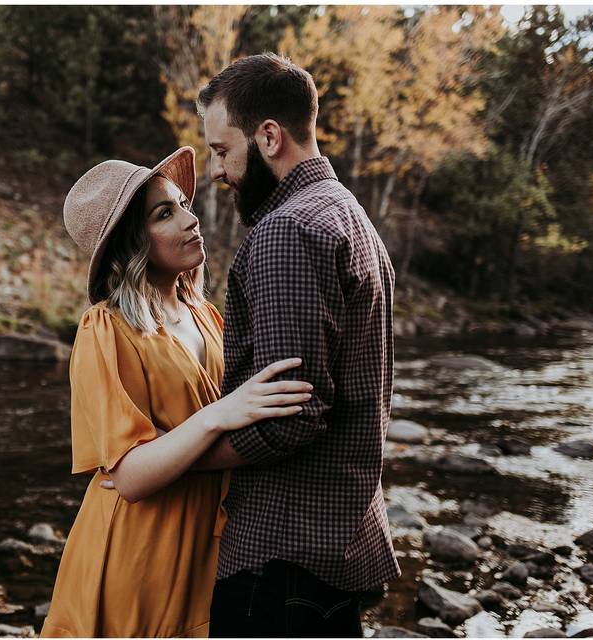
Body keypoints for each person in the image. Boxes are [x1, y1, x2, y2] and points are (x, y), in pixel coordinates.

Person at [41, 147, 312, 637]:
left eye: (183, 204)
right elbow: (130, 477)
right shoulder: (106, 329)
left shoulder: (207, 316)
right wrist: (219, 415)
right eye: (165, 213)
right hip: (139, 551)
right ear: (132, 242)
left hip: (209, 545)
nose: (191, 220)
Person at [191, 53, 401, 637]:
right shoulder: (349, 216)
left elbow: (291, 416)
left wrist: (178, 458)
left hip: (282, 559)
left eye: (221, 150)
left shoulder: (289, 231)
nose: (218, 171)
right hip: (331, 545)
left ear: (268, 136)